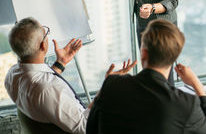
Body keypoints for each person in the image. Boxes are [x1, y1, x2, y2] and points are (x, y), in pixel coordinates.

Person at [86, 19, 206, 134]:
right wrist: (198, 86)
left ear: (144, 53)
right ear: (174, 57)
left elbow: (90, 129)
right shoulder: (186, 104)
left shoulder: (112, 84)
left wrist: (107, 85)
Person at [5, 17, 136, 134]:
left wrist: (60, 63)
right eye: (46, 33)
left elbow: (38, 89)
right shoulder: (48, 90)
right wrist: (107, 86)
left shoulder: (12, 75)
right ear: (42, 46)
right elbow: (86, 126)